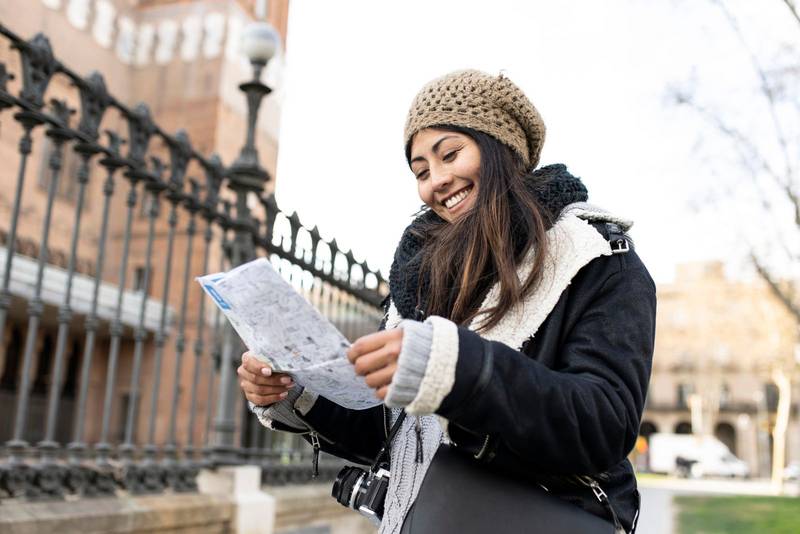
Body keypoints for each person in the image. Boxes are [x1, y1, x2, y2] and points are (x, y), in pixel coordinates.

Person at [238, 69, 656, 534]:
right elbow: (398, 435)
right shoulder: (418, 279)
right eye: (420, 171)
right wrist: (297, 393)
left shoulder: (596, 257)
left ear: (502, 148)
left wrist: (458, 370)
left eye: (450, 154)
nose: (436, 181)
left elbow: (604, 423)